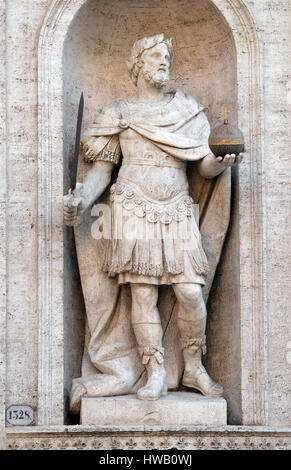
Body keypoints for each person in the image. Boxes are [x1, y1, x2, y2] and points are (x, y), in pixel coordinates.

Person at [63, 34, 243, 408]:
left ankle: (193, 365)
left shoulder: (187, 111)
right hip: (132, 205)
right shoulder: (118, 113)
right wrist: (81, 199)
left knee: (190, 290)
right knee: (142, 293)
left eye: (167, 58)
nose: (164, 63)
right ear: (138, 65)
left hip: (176, 204)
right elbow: (102, 169)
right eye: (156, 57)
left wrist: (221, 160)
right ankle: (155, 370)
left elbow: (204, 167)